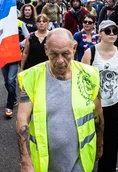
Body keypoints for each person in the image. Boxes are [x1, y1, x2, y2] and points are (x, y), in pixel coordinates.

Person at [17, 28, 103, 172]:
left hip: (81, 161)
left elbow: (98, 115)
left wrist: (100, 144)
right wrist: (25, 160)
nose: (60, 60)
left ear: (74, 48)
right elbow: (21, 119)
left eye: (66, 54)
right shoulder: (31, 77)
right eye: (54, 54)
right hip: (45, 163)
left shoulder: (89, 75)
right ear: (46, 50)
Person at [82, 20, 118, 172]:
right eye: (108, 31)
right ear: (100, 33)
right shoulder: (91, 53)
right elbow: (82, 81)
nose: (112, 34)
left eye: (115, 31)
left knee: (111, 140)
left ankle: (107, 168)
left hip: (113, 104)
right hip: (93, 105)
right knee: (88, 138)